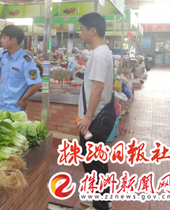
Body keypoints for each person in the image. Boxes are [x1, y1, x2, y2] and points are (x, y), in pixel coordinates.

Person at [76, 13, 114, 210]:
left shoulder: (99, 54)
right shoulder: (101, 52)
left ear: (93, 31)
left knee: (94, 164)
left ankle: (101, 206)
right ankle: (101, 198)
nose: (80, 34)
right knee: (95, 161)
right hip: (98, 116)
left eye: (81, 29)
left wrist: (88, 118)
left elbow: (98, 87)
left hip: (95, 119)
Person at [0, 25, 42, 112]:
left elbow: (37, 84)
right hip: (0, 107)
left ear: (13, 40)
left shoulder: (26, 61)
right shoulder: (4, 56)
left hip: (15, 110)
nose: (1, 41)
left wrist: (24, 98)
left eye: (4, 38)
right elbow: (1, 75)